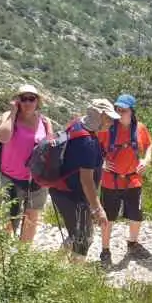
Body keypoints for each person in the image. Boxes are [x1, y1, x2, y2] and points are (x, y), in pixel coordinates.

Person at [49, 99, 116, 258]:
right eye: (109, 118)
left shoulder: (77, 124)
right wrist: (97, 209)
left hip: (61, 190)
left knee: (77, 233)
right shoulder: (87, 142)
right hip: (74, 196)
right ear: (99, 116)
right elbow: (87, 181)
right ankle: (74, 278)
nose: (111, 123)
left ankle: (52, 265)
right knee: (83, 239)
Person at [0, 84, 53, 242]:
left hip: (36, 179)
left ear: (37, 101)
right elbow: (3, 137)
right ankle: (3, 261)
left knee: (31, 220)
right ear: (17, 100)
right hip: (11, 177)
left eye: (31, 99)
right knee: (7, 221)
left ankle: (23, 256)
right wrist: (13, 112)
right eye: (23, 99)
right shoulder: (9, 116)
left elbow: (50, 148)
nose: (27, 102)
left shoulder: (45, 122)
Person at [99, 94, 152, 265]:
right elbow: (94, 147)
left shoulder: (140, 129)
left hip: (133, 179)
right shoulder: (107, 129)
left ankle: (133, 244)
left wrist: (146, 160)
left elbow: (149, 144)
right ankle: (105, 251)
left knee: (135, 215)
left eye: (124, 110)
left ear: (132, 111)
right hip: (110, 180)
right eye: (118, 110)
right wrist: (101, 163)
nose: (120, 113)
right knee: (108, 217)